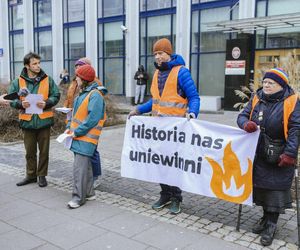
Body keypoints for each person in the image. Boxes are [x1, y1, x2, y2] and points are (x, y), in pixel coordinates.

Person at [129, 38, 200, 214]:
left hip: (176, 130)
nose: (158, 56)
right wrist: (139, 109)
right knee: (160, 163)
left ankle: (176, 198)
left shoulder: (181, 72)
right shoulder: (157, 74)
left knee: (173, 165)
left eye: (161, 53)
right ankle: (165, 194)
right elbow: (155, 102)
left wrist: (193, 112)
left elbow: (194, 97)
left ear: (169, 53)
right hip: (159, 130)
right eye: (155, 54)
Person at [237, 68, 299, 246]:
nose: (266, 85)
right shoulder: (257, 98)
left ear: (281, 85)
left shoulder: (292, 101)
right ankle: (265, 218)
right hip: (259, 151)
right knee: (262, 189)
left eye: (270, 83)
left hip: (280, 154)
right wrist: (246, 124)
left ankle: (271, 225)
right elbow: (241, 116)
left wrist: (290, 153)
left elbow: (296, 129)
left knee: (275, 191)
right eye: (264, 82)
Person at [9, 52, 60, 187]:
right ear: (27, 66)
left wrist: (47, 103)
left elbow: (56, 95)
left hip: (44, 121)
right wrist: (20, 104)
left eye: (39, 63)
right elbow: (11, 99)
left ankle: (42, 176)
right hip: (27, 122)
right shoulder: (18, 82)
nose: (38, 66)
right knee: (30, 152)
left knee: (44, 152)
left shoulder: (47, 79)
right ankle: (31, 175)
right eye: (35, 64)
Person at [65, 64, 106, 209]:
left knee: (79, 169)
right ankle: (89, 193)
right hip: (79, 137)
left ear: (84, 79)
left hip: (85, 138)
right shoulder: (84, 93)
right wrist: (69, 129)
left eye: (78, 76)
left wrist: (76, 131)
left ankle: (78, 198)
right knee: (86, 167)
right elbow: (77, 115)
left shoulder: (94, 95)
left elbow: (92, 119)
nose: (76, 79)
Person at [64, 57, 104, 182]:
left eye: (80, 66)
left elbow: (95, 108)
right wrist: (67, 108)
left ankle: (95, 176)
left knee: (92, 151)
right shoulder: (75, 81)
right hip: (75, 118)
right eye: (76, 66)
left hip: (88, 124)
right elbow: (70, 97)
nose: (77, 69)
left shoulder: (94, 84)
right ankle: (87, 178)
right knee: (81, 151)